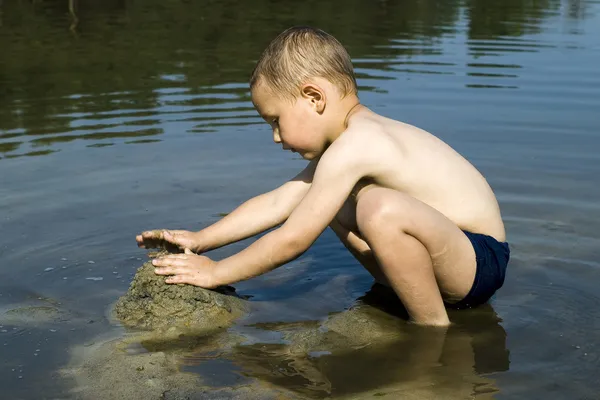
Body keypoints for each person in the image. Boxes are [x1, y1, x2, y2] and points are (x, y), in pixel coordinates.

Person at [136, 26, 510, 326]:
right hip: (453, 256)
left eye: (276, 121)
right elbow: (281, 200)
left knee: (379, 207)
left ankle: (432, 329)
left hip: (478, 259)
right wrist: (201, 240)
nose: (276, 137)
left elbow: (293, 239)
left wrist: (216, 273)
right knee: (328, 202)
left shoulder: (359, 144)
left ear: (314, 97)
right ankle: (409, 299)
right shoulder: (348, 146)